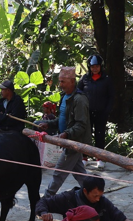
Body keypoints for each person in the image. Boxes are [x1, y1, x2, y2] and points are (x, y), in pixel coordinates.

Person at [38, 66, 92, 196]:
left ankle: (47, 198)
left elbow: (81, 125)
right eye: (60, 81)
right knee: (80, 174)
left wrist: (67, 133)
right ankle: (94, 195)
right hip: (69, 140)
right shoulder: (65, 97)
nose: (60, 84)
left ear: (72, 82)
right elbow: (62, 119)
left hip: (74, 142)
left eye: (63, 82)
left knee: (58, 173)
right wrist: (48, 124)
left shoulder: (79, 99)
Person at [78, 54, 114, 151]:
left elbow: (111, 96)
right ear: (89, 67)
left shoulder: (107, 79)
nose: (95, 69)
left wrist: (107, 110)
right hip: (87, 113)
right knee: (86, 135)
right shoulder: (84, 78)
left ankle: (99, 158)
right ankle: (84, 157)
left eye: (97, 66)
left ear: (101, 67)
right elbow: (77, 93)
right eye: (92, 67)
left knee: (100, 135)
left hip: (101, 113)